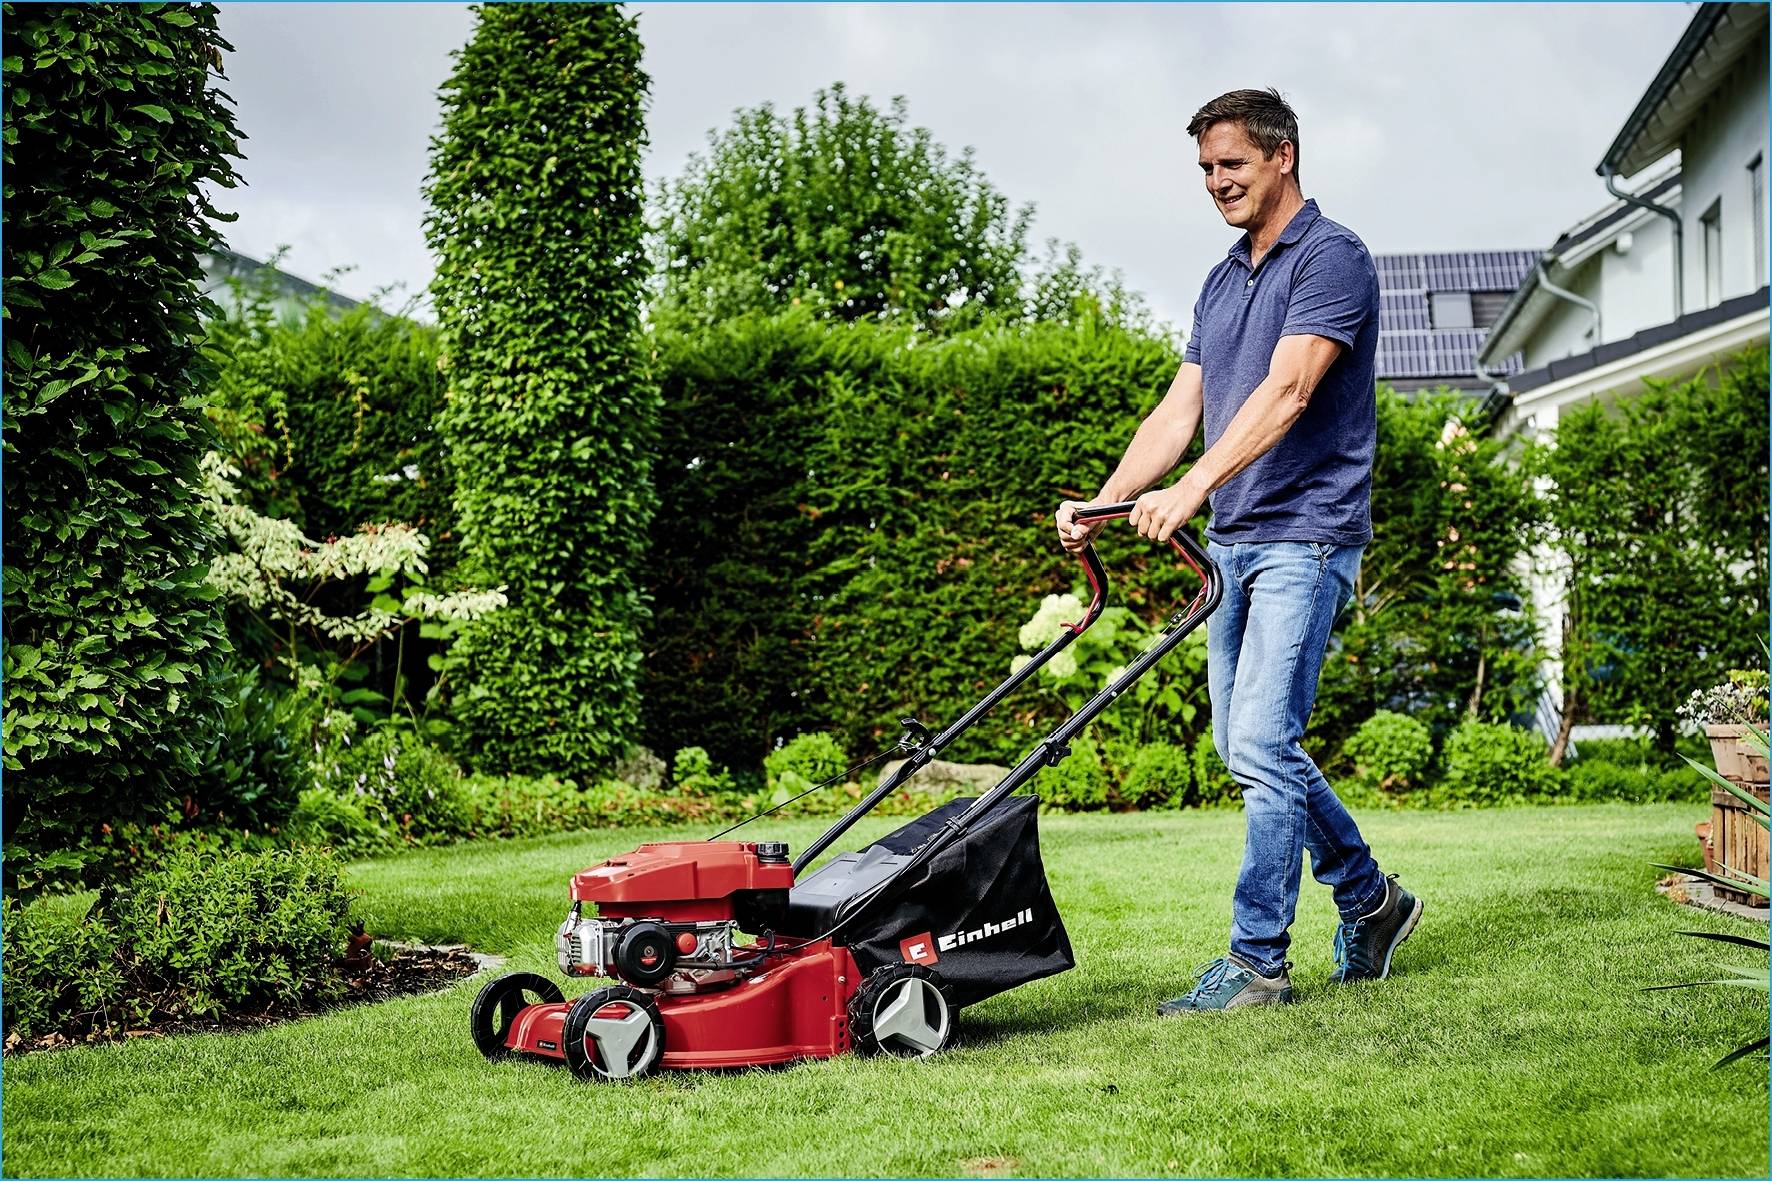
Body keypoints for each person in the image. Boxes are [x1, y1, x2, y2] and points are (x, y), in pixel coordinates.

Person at [1055, 88, 1422, 1012]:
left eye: (1233, 165)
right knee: (1246, 743)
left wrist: (1190, 489)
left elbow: (1290, 390)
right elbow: (1180, 409)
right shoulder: (1223, 278)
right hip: (1236, 542)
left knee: (1262, 740)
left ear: (1283, 156)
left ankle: (1258, 960)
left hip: (1308, 533)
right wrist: (1107, 501)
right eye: (1208, 170)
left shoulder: (1333, 258)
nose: (1217, 183)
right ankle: (1371, 900)